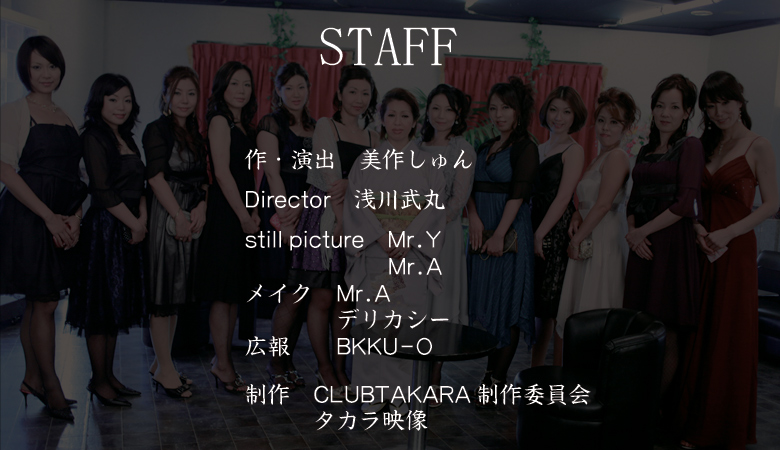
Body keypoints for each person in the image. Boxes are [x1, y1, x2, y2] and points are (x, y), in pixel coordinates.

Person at [676, 71, 778, 450]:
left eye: (725, 103)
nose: (719, 112)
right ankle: (688, 419)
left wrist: (727, 233)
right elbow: (692, 197)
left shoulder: (758, 145)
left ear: (740, 102)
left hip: (734, 251)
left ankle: (717, 427)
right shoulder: (707, 144)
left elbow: (771, 204)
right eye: (711, 106)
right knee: (697, 330)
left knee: (726, 334)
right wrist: (698, 227)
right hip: (701, 245)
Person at [0, 36, 85, 420]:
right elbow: (6, 171)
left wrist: (74, 217)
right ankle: (50, 385)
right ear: (25, 71)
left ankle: (33, 378)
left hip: (61, 217)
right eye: (37, 67)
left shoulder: (65, 115)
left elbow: (75, 175)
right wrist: (49, 217)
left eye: (51, 65)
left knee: (40, 302)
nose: (46, 73)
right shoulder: (14, 111)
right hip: (29, 216)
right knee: (45, 301)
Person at [346, 87, 446, 414]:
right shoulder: (365, 161)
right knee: (372, 321)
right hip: (378, 250)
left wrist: (408, 236)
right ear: (382, 119)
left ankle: (401, 392)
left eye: (405, 116)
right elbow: (356, 203)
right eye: (392, 115)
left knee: (407, 322)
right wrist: (380, 235)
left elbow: (434, 207)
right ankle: (370, 391)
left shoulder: (428, 164)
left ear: (415, 121)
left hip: (411, 252)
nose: (398, 122)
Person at [289, 64, 378, 396]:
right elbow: (330, 178)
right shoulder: (327, 126)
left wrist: (351, 191)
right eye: (352, 91)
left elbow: (372, 183)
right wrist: (341, 221)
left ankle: (341, 368)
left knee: (346, 300)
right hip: (325, 217)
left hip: (358, 220)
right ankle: (325, 368)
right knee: (323, 296)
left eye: (365, 93)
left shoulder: (374, 136)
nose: (358, 99)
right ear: (339, 94)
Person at [66, 73, 147, 407]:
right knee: (100, 308)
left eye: (126, 100)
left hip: (128, 226)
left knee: (115, 306)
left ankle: (109, 376)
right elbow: (102, 190)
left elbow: (140, 185)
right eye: (113, 99)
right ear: (99, 101)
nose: (120, 106)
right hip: (104, 230)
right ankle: (99, 381)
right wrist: (136, 224)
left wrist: (141, 220)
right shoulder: (93, 137)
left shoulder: (126, 137)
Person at [623, 74, 704, 406]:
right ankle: (635, 402)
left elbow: (685, 205)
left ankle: (654, 412)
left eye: (674, 107)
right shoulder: (644, 151)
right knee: (640, 328)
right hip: (641, 247)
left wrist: (642, 232)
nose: (665, 113)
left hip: (671, 246)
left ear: (687, 112)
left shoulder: (691, 146)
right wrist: (633, 233)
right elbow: (632, 202)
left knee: (667, 331)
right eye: (660, 106)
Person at [467, 77, 539, 406]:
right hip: (482, 233)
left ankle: (495, 380)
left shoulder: (526, 147)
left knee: (507, 306)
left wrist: (499, 234)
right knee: (488, 304)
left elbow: (518, 194)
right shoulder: (486, 147)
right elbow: (469, 188)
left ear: (519, 111)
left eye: (506, 108)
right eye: (494, 108)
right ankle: (487, 374)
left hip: (509, 236)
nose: (498, 115)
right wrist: (474, 218)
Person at [142, 66, 208, 398]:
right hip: (165, 215)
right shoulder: (156, 129)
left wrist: (202, 207)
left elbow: (203, 179)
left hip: (190, 213)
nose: (184, 99)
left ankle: (162, 363)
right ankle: (166, 369)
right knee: (162, 294)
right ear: (166, 95)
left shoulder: (195, 131)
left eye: (191, 93)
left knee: (176, 293)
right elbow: (155, 178)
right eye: (178, 92)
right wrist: (178, 215)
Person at [197, 61, 259, 393]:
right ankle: (223, 364)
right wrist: (244, 216)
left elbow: (249, 175)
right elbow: (222, 174)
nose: (241, 90)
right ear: (222, 87)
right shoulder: (220, 120)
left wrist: (254, 211)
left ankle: (222, 361)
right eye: (234, 83)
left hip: (243, 211)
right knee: (223, 294)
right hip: (226, 214)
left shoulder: (244, 125)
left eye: (246, 84)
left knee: (234, 293)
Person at [555, 88, 635, 340]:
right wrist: (577, 214)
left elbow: (603, 205)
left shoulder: (617, 156)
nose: (605, 128)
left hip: (603, 237)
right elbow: (589, 201)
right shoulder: (599, 157)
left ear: (626, 127)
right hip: (589, 233)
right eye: (601, 120)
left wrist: (576, 240)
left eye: (614, 122)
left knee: (595, 303)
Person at [257, 62, 316, 389]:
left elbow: (320, 174)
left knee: (302, 290)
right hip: (280, 209)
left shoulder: (316, 126)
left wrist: (303, 205)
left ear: (308, 90)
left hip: (309, 207)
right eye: (289, 87)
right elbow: (272, 171)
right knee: (289, 289)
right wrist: (287, 212)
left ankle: (288, 359)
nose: (295, 93)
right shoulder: (271, 123)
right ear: (278, 91)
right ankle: (275, 362)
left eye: (301, 87)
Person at [415, 84, 474, 403]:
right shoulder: (414, 146)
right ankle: (409, 374)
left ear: (458, 114)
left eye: (448, 110)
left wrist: (429, 224)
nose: (441, 115)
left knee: (440, 306)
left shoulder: (463, 150)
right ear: (427, 111)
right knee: (414, 303)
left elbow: (458, 200)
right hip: (410, 236)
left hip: (443, 236)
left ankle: (434, 378)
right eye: (435, 108)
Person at [529, 86, 586, 367]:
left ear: (575, 116)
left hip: (556, 231)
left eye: (566, 112)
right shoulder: (539, 148)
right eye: (553, 110)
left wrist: (540, 233)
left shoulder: (574, 150)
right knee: (538, 308)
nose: (558, 117)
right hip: (533, 225)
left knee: (552, 307)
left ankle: (551, 374)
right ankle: (534, 370)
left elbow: (564, 198)